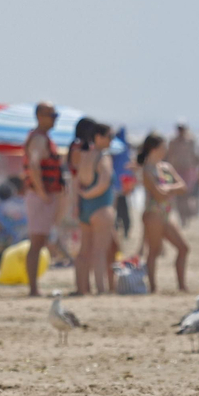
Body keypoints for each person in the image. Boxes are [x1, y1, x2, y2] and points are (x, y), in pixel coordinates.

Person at [137, 133, 190, 293]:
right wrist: (169, 190)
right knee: (154, 251)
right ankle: (153, 287)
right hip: (153, 214)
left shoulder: (165, 167)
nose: (166, 149)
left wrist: (167, 189)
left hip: (165, 214)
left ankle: (181, 286)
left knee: (183, 248)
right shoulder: (147, 169)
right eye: (163, 146)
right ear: (154, 148)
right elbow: (158, 194)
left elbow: (183, 187)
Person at [22, 103, 65, 297]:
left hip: (43, 195)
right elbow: (34, 165)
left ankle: (34, 287)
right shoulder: (39, 139)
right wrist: (42, 192)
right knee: (37, 242)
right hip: (41, 196)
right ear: (40, 116)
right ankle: (33, 289)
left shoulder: (43, 138)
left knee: (40, 241)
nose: (55, 118)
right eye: (51, 115)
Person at [71, 119, 117, 295]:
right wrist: (88, 194)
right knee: (99, 252)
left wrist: (81, 200)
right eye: (109, 136)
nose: (111, 140)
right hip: (101, 207)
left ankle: (81, 287)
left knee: (83, 251)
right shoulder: (104, 157)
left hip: (85, 209)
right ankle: (101, 289)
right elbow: (104, 182)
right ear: (98, 137)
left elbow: (78, 182)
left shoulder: (85, 155)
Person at [165, 123, 199, 223]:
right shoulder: (173, 141)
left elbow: (196, 157)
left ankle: (186, 216)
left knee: (186, 195)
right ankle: (182, 217)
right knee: (178, 195)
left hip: (188, 171)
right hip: (176, 171)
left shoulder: (191, 141)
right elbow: (169, 156)